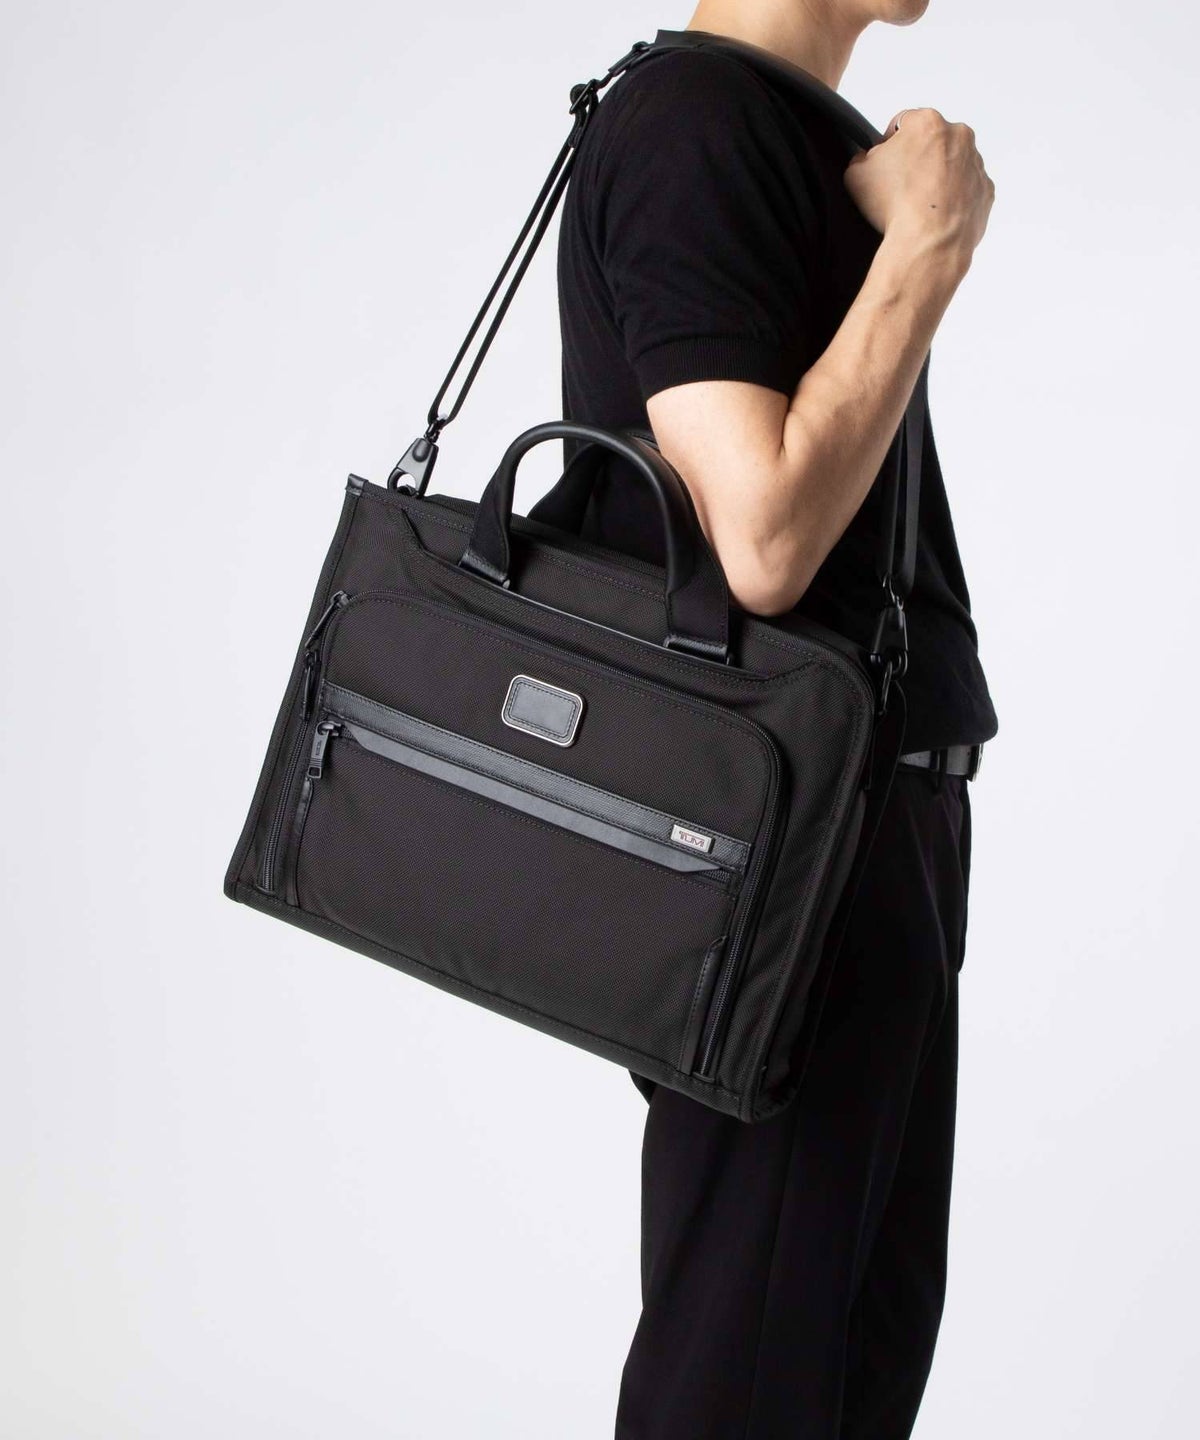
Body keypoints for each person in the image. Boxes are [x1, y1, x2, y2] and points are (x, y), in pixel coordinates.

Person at [556, 2, 999, 1436]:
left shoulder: (778, 130)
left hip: (849, 822)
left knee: (838, 1367)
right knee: (750, 1380)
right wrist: (927, 245)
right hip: (786, 840)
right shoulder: (699, 126)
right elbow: (760, 540)